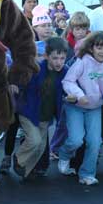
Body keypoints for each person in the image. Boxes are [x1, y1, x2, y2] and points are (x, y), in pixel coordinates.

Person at [58, 32, 103, 185]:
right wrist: (79, 95)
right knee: (76, 140)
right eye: (99, 47)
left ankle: (87, 174)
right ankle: (64, 154)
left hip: (95, 108)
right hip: (76, 107)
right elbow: (67, 81)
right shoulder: (83, 62)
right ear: (91, 49)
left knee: (95, 141)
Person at [11, 37, 69, 180]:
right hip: (29, 112)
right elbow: (20, 78)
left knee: (41, 147)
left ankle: (27, 172)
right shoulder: (36, 69)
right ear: (46, 56)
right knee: (35, 140)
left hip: (46, 116)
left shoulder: (65, 71)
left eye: (62, 58)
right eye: (55, 58)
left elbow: (71, 86)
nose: (59, 62)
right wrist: (14, 84)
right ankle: (19, 159)